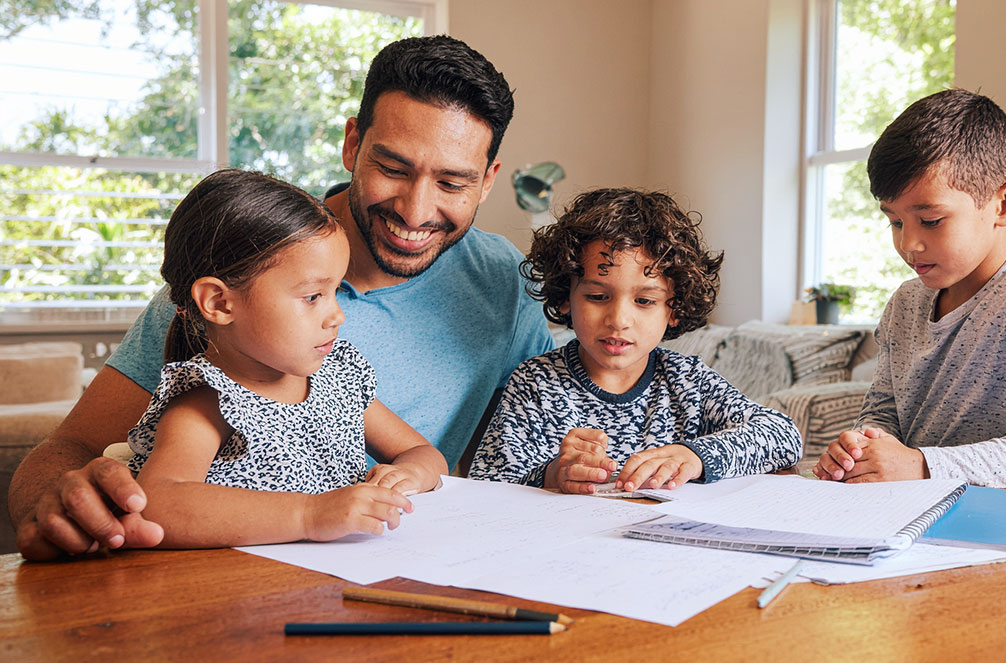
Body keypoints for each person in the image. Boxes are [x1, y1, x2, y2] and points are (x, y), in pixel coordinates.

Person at [9, 36, 554, 559]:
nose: (415, 211)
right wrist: (55, 506)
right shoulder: (242, 268)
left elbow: (538, 440)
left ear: (487, 181)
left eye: (453, 183)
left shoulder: (505, 282)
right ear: (352, 144)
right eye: (393, 168)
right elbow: (69, 450)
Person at [127, 169, 445, 547]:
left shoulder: (338, 378)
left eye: (334, 292)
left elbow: (423, 452)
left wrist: (409, 474)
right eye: (313, 297)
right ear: (219, 302)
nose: (336, 315)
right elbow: (157, 504)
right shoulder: (208, 400)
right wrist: (309, 516)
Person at [813, 89, 1006, 488]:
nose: (908, 244)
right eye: (895, 222)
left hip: (994, 522)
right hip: (904, 512)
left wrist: (919, 465)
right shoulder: (906, 303)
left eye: (930, 221)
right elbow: (883, 411)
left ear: (1005, 203)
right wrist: (863, 447)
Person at [468, 188, 804, 493]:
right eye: (598, 296)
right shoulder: (536, 383)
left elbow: (783, 435)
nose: (618, 319)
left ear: (674, 309)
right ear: (565, 297)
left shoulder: (687, 380)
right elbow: (486, 481)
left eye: (644, 301)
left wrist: (694, 455)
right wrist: (554, 474)